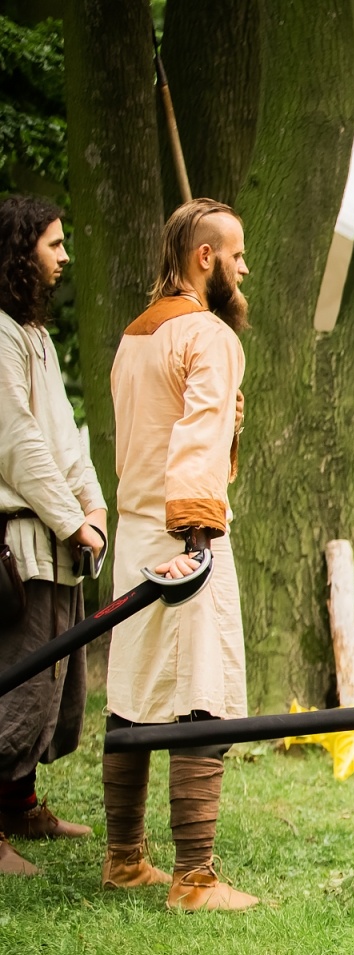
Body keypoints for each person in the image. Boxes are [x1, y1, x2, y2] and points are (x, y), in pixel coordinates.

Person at [101, 198, 257, 911]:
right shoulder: (209, 336)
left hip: (137, 530)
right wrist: (196, 539)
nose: (245, 266)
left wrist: (228, 424)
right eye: (237, 254)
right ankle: (194, 879)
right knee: (201, 699)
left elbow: (171, 429)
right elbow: (191, 446)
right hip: (181, 539)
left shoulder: (138, 332)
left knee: (134, 698)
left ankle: (125, 859)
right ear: (206, 258)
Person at [0, 195, 105, 875]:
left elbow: (65, 439)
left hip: (58, 539)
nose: (64, 257)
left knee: (56, 689)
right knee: (17, 684)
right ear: (20, 250)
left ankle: (20, 805)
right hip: (22, 543)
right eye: (55, 244)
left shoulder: (32, 335)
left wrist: (91, 507)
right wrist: (70, 518)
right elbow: (16, 444)